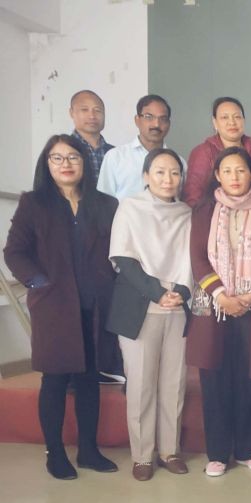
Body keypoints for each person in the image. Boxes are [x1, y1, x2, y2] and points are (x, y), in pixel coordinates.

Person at [4, 134, 119, 479]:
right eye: (57, 158)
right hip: (55, 306)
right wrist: (38, 282)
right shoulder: (34, 203)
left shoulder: (105, 204)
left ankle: (88, 450)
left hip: (95, 304)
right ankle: (54, 452)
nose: (66, 164)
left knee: (88, 380)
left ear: (85, 163)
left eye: (73, 157)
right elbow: (14, 252)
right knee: (54, 380)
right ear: (47, 164)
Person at [187, 146, 251, 477]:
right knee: (215, 381)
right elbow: (198, 257)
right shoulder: (204, 211)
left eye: (241, 170)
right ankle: (218, 453)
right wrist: (222, 294)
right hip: (215, 309)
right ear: (218, 175)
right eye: (228, 171)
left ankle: (250, 449)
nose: (235, 177)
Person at [105, 148, 192, 481]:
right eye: (159, 172)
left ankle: (170, 450)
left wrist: (180, 292)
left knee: (174, 382)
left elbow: (190, 257)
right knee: (141, 383)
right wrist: (158, 292)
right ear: (145, 176)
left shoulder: (186, 212)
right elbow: (123, 259)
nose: (168, 179)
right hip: (140, 306)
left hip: (178, 307)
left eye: (174, 172)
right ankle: (142, 455)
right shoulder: (130, 208)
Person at [99, 94, 185, 205]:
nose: (156, 124)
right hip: (123, 221)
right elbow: (103, 202)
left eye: (163, 119)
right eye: (149, 117)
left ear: (169, 124)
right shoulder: (115, 157)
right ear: (137, 120)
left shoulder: (179, 163)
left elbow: (180, 201)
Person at [183, 97, 251, 206]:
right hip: (212, 219)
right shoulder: (203, 152)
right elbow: (193, 196)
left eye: (237, 117)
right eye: (224, 117)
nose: (231, 122)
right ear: (215, 123)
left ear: (244, 120)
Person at [69, 89, 114, 181]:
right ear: (71, 113)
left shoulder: (115, 153)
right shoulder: (62, 152)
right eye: (85, 110)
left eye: (97, 110)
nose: (92, 116)